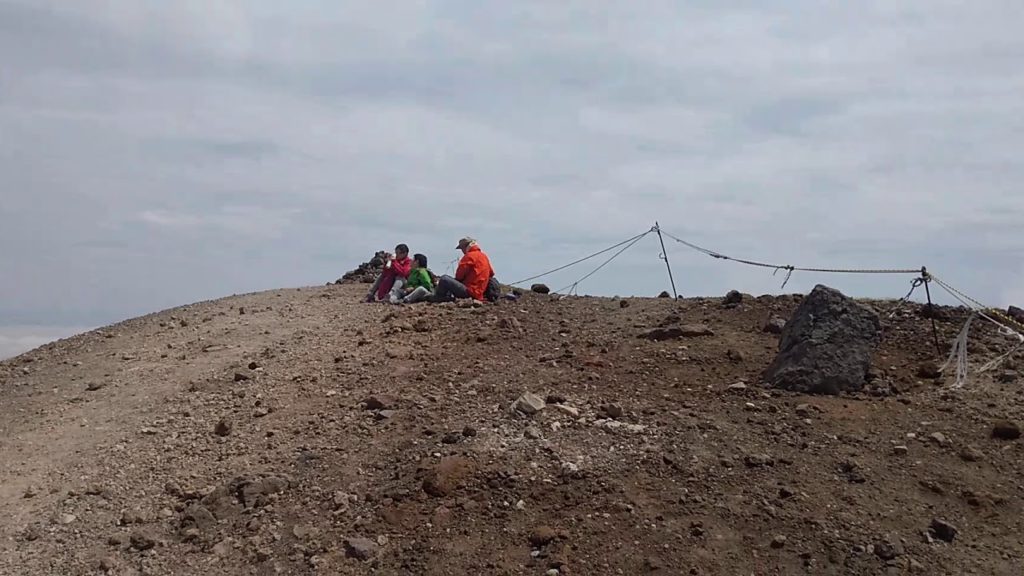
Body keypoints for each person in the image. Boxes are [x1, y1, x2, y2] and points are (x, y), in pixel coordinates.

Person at [433, 237, 494, 302]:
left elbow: (459, 276)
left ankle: (438, 298)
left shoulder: (469, 256)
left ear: (466, 247)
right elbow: (491, 273)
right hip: (479, 293)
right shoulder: (484, 256)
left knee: (444, 279)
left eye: (462, 248)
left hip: (469, 291)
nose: (462, 251)